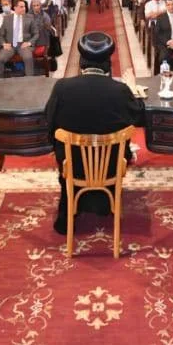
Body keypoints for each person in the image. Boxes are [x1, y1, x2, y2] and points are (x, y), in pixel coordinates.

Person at [43, 32, 144, 235]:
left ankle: (68, 213)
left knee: (62, 149)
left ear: (81, 62)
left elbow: (48, 124)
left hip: (72, 165)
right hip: (110, 166)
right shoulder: (121, 91)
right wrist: (133, 88)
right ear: (108, 64)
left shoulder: (62, 88)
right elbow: (140, 118)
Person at [0, 0, 37, 80]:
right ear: (15, 8)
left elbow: (36, 34)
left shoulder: (30, 18)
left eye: (24, 7)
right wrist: (4, 44)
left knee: (28, 58)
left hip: (24, 44)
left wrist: (29, 43)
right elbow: (1, 35)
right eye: (21, 7)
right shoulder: (7, 18)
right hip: (10, 44)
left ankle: (30, 81)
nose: (24, 8)